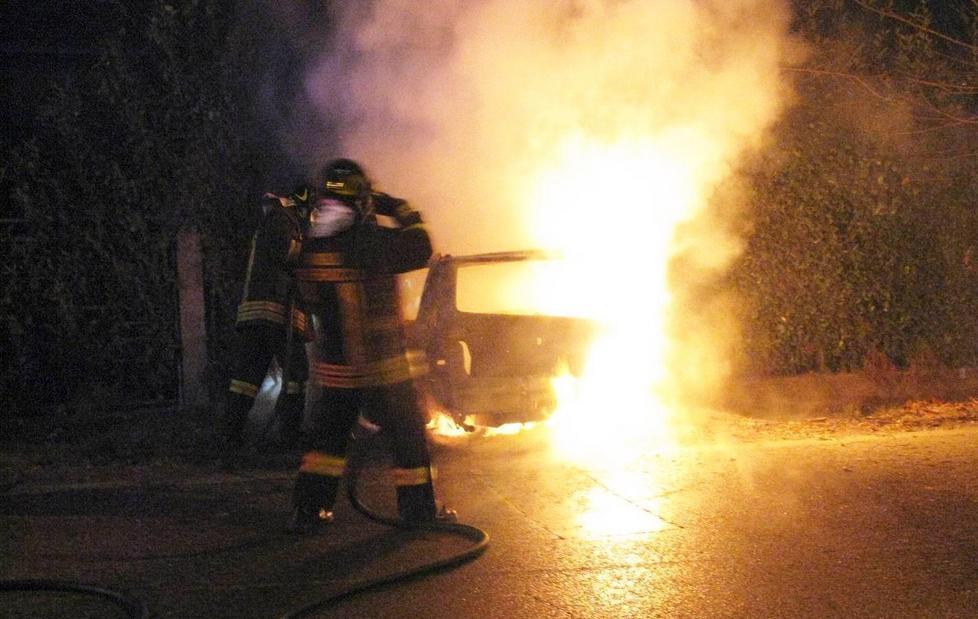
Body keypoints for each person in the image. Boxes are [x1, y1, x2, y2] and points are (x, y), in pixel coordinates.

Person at [287, 158, 452, 533]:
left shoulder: (311, 247)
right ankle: (418, 511)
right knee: (407, 438)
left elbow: (307, 296)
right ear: (362, 199)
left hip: (338, 370)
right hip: (384, 365)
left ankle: (308, 512)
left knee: (327, 443)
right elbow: (421, 246)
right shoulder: (373, 240)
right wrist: (400, 209)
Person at [222, 184, 314, 452]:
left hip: (260, 315)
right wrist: (313, 249)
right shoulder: (282, 218)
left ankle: (230, 435)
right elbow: (287, 252)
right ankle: (289, 436)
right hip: (276, 313)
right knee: (296, 374)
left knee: (246, 378)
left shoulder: (274, 218)